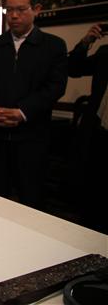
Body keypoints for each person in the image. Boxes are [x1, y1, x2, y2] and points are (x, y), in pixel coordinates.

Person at [0, 0, 67, 209]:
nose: (13, 16)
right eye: (9, 10)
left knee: (31, 197)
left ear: (37, 9)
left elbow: (55, 87)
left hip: (32, 135)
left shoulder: (53, 46)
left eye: (21, 9)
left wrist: (22, 112)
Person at [67, 23, 107, 233]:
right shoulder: (105, 52)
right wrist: (85, 42)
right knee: (93, 187)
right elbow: (73, 69)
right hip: (98, 129)